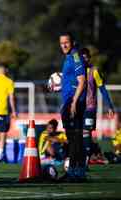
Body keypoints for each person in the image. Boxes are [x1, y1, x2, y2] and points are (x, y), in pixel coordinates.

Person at [58, 32, 86, 181]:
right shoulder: (68, 57)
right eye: (61, 42)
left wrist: (74, 102)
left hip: (74, 103)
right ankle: (78, 171)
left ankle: (74, 172)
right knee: (74, 138)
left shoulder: (75, 56)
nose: (64, 45)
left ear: (73, 42)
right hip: (69, 102)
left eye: (66, 42)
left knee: (75, 138)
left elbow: (82, 80)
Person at [80, 47, 115, 164]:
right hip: (78, 107)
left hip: (90, 107)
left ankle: (86, 162)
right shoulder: (75, 72)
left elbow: (102, 89)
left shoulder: (94, 71)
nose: (84, 60)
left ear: (89, 58)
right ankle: (93, 154)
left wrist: (109, 106)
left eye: (86, 57)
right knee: (79, 133)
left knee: (86, 132)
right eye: (82, 58)